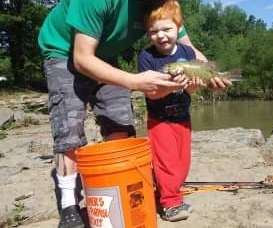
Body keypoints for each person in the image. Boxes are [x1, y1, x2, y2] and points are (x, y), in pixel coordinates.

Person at [38, 0, 215, 228]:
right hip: (63, 50)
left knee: (120, 124)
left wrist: (212, 73)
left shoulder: (163, 4)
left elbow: (189, 51)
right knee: (69, 129)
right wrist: (134, 82)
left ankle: (117, 185)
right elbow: (82, 59)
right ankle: (69, 205)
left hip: (103, 53)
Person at [138, 0, 232, 222]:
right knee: (166, 161)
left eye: (167, 29)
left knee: (182, 163)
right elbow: (151, 92)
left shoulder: (187, 51)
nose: (161, 36)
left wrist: (195, 84)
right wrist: (173, 84)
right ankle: (170, 204)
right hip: (159, 119)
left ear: (178, 27)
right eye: (154, 31)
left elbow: (193, 87)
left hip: (183, 117)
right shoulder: (146, 56)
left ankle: (167, 190)